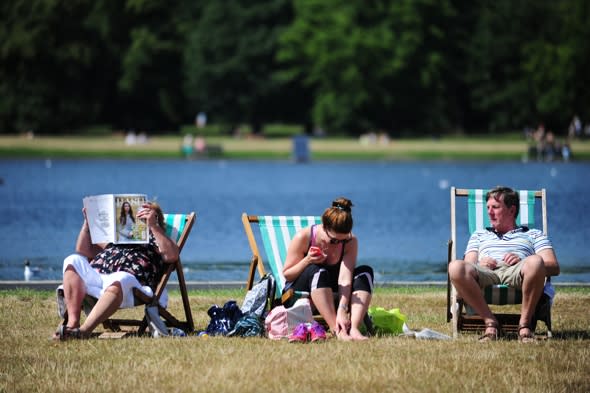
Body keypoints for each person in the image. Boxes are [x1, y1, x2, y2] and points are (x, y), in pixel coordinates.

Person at [448, 186, 560, 342]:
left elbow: (554, 267)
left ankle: (524, 325)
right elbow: (467, 264)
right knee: (455, 266)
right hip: (486, 272)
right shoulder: (479, 234)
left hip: (518, 272)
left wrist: (523, 261)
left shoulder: (533, 234)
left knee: (536, 262)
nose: (489, 212)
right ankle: (490, 322)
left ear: (511, 210)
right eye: (487, 207)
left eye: (495, 207)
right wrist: (480, 262)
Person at [54, 202, 179, 340]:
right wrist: (87, 224)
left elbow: (172, 255)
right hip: (99, 276)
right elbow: (84, 249)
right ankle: (72, 324)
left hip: (129, 281)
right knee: (72, 260)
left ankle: (83, 331)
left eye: (145, 215)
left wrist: (153, 226)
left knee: (120, 278)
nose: (139, 218)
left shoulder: (156, 241)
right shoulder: (117, 239)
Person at [282, 197, 374, 341]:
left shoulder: (350, 241)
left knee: (365, 272)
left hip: (333, 295)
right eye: (334, 240)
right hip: (303, 292)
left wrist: (343, 310)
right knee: (318, 271)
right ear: (324, 227)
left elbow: (345, 278)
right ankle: (336, 329)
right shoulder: (304, 236)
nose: (339, 243)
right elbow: (287, 275)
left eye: (343, 240)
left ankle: (354, 328)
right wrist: (307, 260)